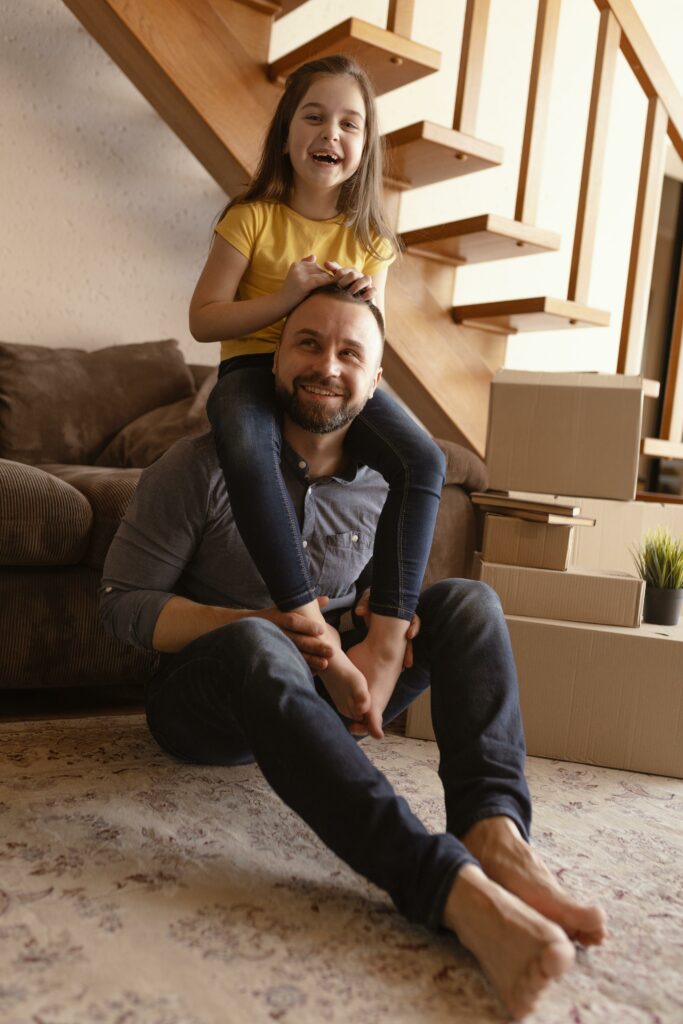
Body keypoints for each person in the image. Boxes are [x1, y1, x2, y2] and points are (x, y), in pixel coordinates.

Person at [100, 285, 607, 1020]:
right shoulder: (195, 468)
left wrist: (376, 617)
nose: (325, 365)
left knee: (469, 602)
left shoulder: (388, 485)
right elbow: (119, 607)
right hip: (206, 706)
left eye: (349, 353)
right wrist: (256, 622)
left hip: (333, 693)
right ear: (275, 358)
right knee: (252, 641)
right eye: (307, 343)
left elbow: (385, 604)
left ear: (375, 382)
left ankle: (493, 832)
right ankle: (446, 889)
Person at [189, 54, 446, 730]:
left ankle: (387, 636)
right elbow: (203, 318)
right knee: (247, 444)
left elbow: (374, 344)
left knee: (426, 460)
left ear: (363, 149)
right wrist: (284, 298)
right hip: (252, 368)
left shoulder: (369, 240)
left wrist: (363, 308)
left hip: (338, 382)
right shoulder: (249, 219)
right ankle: (308, 623)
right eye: (314, 116)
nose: (330, 132)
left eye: (349, 123)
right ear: (286, 134)